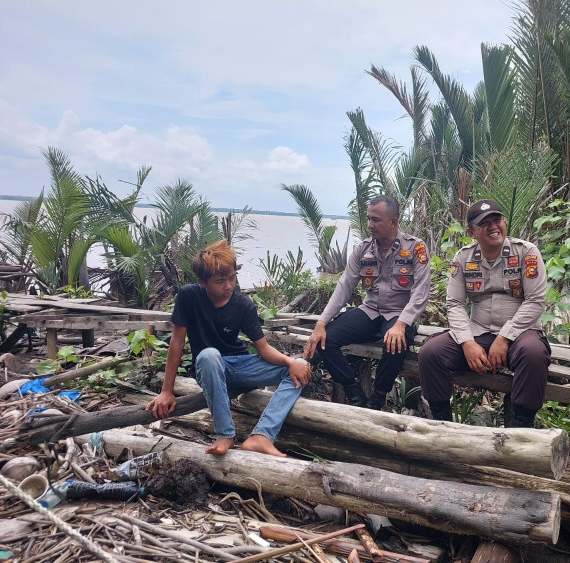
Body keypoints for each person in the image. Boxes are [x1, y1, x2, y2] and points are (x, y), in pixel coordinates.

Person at [146, 240, 311, 457]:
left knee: (301, 366)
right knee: (209, 355)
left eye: (232, 278)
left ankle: (262, 435)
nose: (228, 286)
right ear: (202, 282)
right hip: (209, 368)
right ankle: (225, 434)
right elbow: (177, 342)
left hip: (239, 366)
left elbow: (263, 349)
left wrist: (291, 362)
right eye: (220, 281)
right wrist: (167, 391)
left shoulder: (243, 305)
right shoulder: (189, 296)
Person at [418, 199, 551, 427]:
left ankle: (521, 427)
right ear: (471, 232)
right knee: (430, 353)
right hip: (478, 333)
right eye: (484, 223)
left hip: (520, 333)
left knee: (534, 354)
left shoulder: (526, 252)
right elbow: (455, 304)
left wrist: (505, 336)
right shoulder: (463, 258)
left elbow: (536, 300)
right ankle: (443, 425)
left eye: (497, 220)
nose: (493, 227)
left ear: (504, 222)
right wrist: (467, 342)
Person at [303, 195, 431, 409]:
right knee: (327, 339)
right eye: (369, 219)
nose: (370, 225)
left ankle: (378, 398)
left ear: (393, 222)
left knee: (395, 344)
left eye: (376, 220)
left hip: (399, 314)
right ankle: (353, 392)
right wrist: (321, 323)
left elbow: (420, 292)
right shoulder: (362, 249)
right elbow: (344, 286)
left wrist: (402, 324)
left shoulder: (415, 248)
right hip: (370, 310)